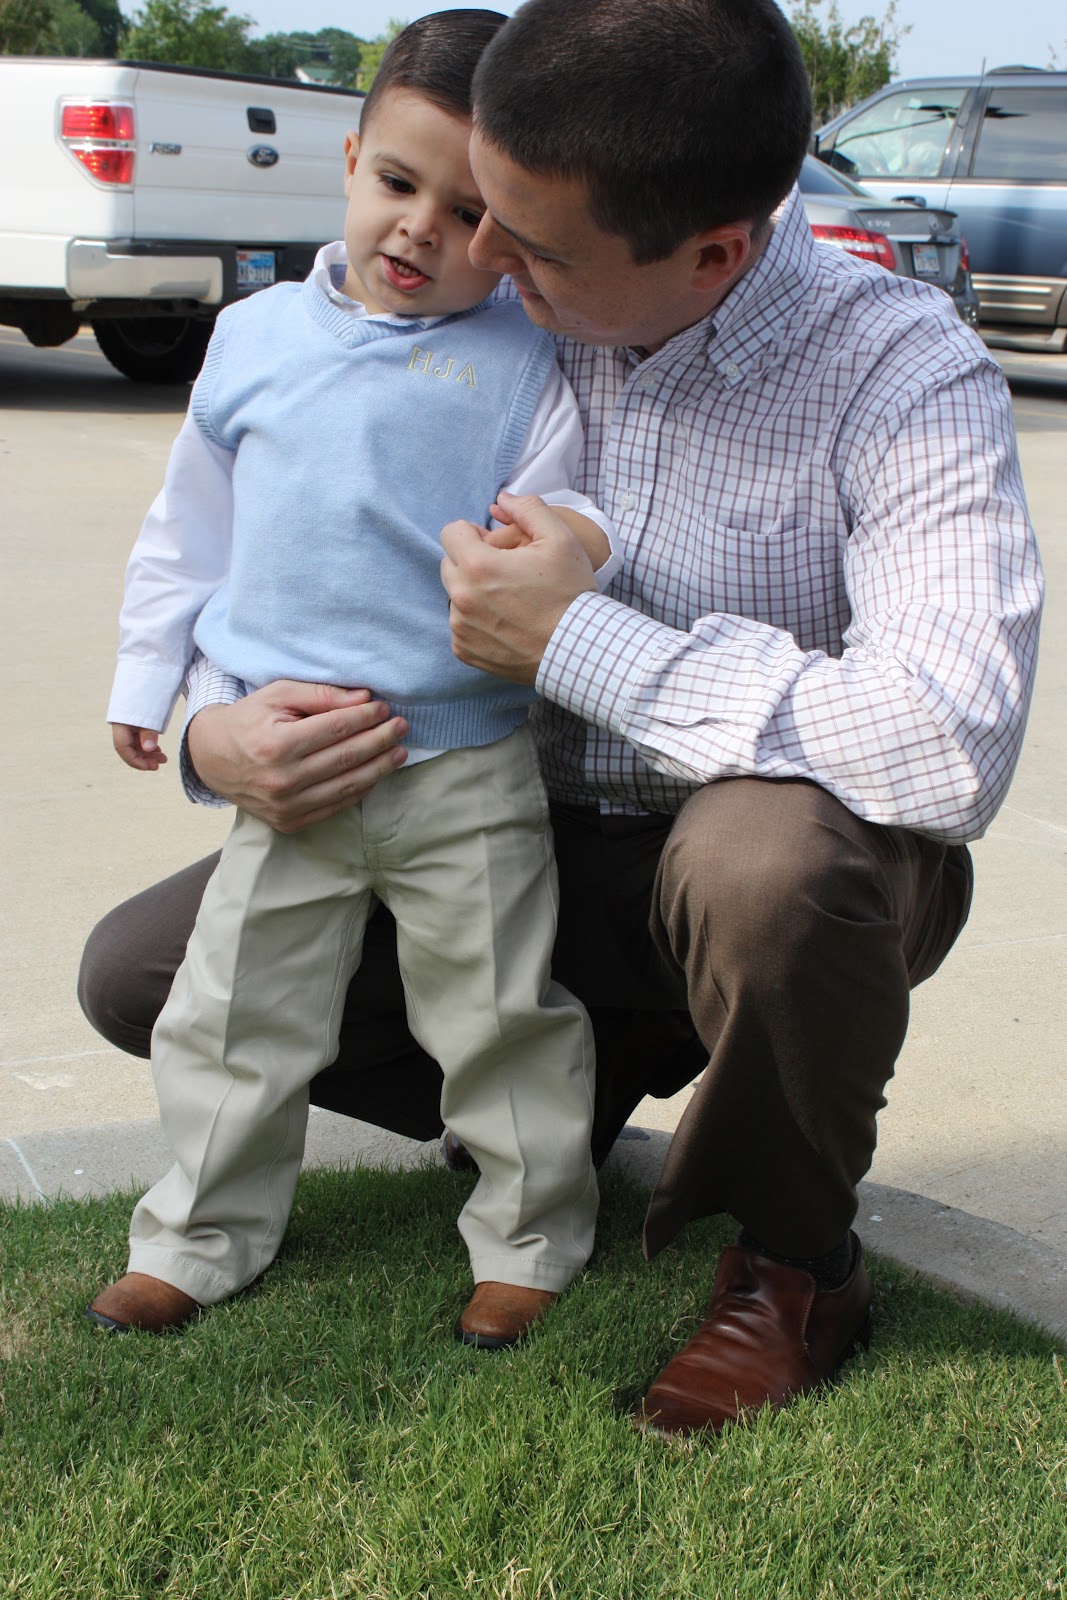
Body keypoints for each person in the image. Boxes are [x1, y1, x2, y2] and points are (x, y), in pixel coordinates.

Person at [79, 0, 1043, 1438]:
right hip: (495, 828)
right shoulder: (486, 319)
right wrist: (216, 728)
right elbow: (290, 536)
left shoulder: (901, 373)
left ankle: (793, 1266)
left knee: (766, 870)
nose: (477, 257)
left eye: (524, 243)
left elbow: (952, 741)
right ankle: (576, 1091)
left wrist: (579, 643)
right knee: (145, 977)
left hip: (745, 878)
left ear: (712, 255)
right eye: (481, 211)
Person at [84, 9, 623, 1352]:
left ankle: (530, 1236)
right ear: (350, 159)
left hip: (465, 763)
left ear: (512, 225)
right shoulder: (254, 336)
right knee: (231, 1012)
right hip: (291, 764)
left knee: (497, 1015)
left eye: (471, 213)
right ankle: (195, 1236)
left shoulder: (529, 354)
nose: (421, 231)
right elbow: (187, 532)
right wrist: (153, 683)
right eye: (398, 182)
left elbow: (573, 514)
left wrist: (566, 545)